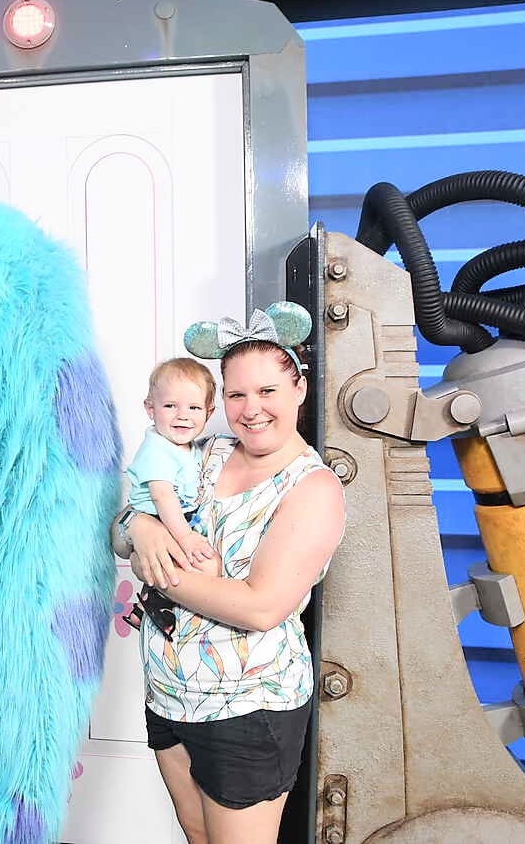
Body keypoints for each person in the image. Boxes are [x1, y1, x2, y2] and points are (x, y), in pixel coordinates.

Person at [115, 303, 346, 844]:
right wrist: (144, 531)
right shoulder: (206, 454)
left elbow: (260, 606)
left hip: (246, 705)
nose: (251, 409)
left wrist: (155, 568)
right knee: (197, 836)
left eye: (267, 391)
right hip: (169, 693)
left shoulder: (313, 489)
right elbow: (118, 531)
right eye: (237, 394)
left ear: (299, 390)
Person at [122, 357, 220, 640]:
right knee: (201, 566)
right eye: (170, 406)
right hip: (159, 519)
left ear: (208, 412)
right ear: (150, 409)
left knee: (194, 567)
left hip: (175, 518)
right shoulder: (158, 448)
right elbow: (162, 496)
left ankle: (145, 607)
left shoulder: (188, 447)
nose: (182, 415)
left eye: (193, 408)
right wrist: (186, 537)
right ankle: (153, 606)